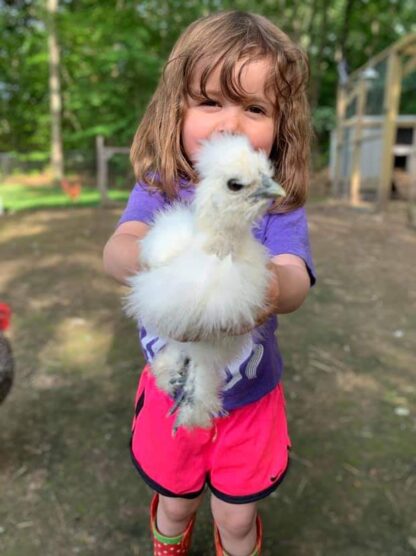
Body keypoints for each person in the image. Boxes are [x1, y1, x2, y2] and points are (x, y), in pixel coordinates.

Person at [103, 10, 316, 556]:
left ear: (280, 125)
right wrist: (164, 265)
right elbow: (119, 248)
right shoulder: (160, 190)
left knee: (237, 516)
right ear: (176, 108)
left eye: (254, 108)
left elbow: (293, 279)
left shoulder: (275, 204)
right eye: (210, 101)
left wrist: (265, 289)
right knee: (176, 501)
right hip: (172, 386)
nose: (230, 124)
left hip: (250, 395)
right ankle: (168, 543)